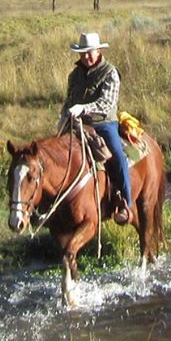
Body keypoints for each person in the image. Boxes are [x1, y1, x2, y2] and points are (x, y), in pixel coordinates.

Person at [62, 30, 133, 223]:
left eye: (90, 52)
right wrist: (63, 117)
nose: (86, 57)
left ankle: (126, 203)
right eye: (83, 53)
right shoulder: (74, 75)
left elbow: (106, 104)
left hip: (103, 124)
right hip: (77, 125)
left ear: (98, 51)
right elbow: (68, 101)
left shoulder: (110, 72)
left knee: (117, 155)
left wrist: (83, 108)